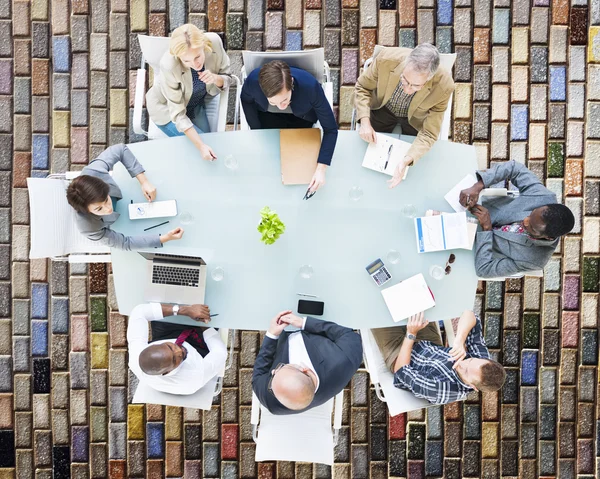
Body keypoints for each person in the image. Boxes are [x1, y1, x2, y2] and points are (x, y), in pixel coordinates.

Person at [354, 43, 455, 188]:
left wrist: (407, 160)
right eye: (404, 80)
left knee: (414, 173)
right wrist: (364, 121)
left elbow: (429, 133)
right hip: (382, 109)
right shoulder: (385, 59)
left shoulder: (444, 86)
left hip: (414, 120)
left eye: (415, 86)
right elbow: (362, 87)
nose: (407, 89)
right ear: (406, 63)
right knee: (365, 156)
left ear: (429, 79)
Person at [459, 161, 575, 278]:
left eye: (532, 227)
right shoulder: (543, 197)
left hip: (468, 246)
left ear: (548, 237)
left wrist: (486, 229)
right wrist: (477, 186)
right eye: (530, 214)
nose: (525, 221)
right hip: (468, 207)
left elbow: (484, 270)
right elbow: (515, 168)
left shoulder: (534, 261)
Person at [241, 60, 338, 193]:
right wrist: (257, 130)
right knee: (267, 170)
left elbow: (331, 129)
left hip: (301, 120)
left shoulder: (310, 87)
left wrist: (321, 169)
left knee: (299, 171)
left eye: (284, 100)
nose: (281, 107)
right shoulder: (253, 81)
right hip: (267, 118)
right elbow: (246, 100)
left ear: (291, 82)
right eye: (274, 102)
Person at [372, 310, 505, 405]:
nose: (461, 364)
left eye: (466, 371)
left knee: (377, 309)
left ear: (473, 387)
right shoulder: (481, 363)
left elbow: (401, 371)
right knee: (416, 297)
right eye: (469, 360)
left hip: (400, 354)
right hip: (428, 342)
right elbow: (470, 315)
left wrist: (411, 333)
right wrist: (459, 340)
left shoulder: (440, 389)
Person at [66, 144, 184, 251]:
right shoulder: (89, 228)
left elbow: (120, 149)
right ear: (87, 211)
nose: (108, 209)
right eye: (99, 209)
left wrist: (144, 181)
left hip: (130, 194)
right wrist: (165, 238)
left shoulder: (93, 171)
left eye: (106, 200)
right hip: (122, 224)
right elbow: (124, 243)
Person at [146, 23, 232, 161]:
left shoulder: (214, 42)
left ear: (203, 45)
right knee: (203, 149)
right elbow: (178, 115)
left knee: (211, 147)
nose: (195, 64)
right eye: (186, 60)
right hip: (167, 110)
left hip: (196, 103)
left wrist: (215, 78)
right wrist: (201, 146)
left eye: (198, 57)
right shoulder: (168, 65)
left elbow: (228, 78)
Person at [252, 310, 362, 415]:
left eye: (273, 377)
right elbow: (347, 334)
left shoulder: (271, 401)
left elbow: (258, 376)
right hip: (321, 316)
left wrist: (272, 335)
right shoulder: (345, 361)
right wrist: (304, 323)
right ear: (304, 370)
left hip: (281, 330)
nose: (273, 371)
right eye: (282, 367)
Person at [127, 302, 227, 395]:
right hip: (197, 346)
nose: (179, 351)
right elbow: (220, 352)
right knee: (212, 306)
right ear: (167, 372)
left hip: (166, 335)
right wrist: (202, 324)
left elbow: (139, 312)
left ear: (152, 345)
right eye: (175, 359)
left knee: (169, 300)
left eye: (170, 347)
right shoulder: (195, 376)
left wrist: (184, 310)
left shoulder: (137, 357)